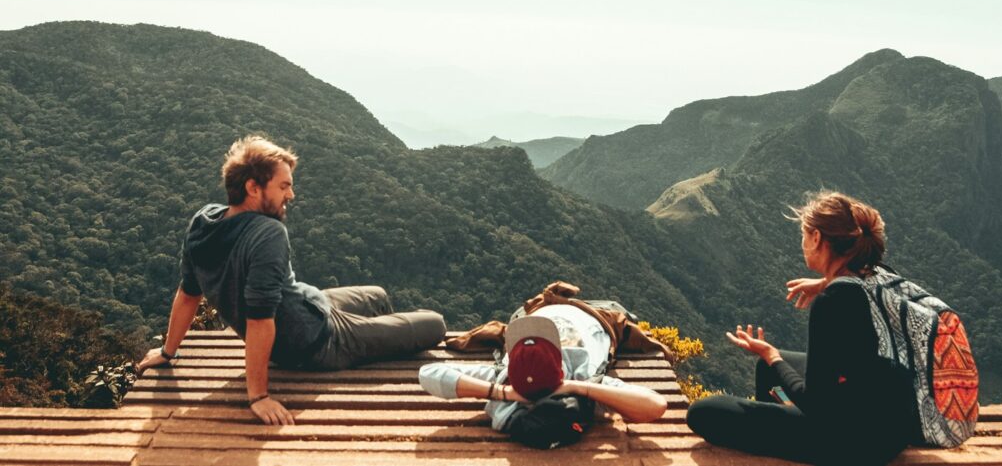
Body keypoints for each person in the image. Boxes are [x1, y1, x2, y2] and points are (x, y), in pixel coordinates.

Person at [137, 135, 447, 425]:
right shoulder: (268, 233)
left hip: (309, 305)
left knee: (377, 295)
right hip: (316, 341)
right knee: (435, 324)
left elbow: (188, 293)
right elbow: (259, 319)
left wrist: (168, 351)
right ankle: (376, 339)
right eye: (284, 186)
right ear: (253, 188)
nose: (291, 195)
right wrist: (258, 396)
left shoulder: (203, 222)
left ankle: (381, 335)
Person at [686, 190, 922, 466]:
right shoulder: (881, 274)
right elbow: (856, 283)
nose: (802, 243)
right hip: (893, 426)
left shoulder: (831, 304)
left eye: (804, 235)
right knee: (767, 370)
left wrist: (772, 355)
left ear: (817, 238)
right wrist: (824, 281)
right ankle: (787, 429)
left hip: (855, 445)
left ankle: (794, 435)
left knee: (703, 412)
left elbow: (816, 404)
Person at [418, 303, 668, 436]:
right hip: (594, 314)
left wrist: (502, 392)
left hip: (532, 311)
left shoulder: (504, 378)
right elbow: (656, 406)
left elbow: (427, 373)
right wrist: (575, 386)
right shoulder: (583, 377)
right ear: (560, 359)